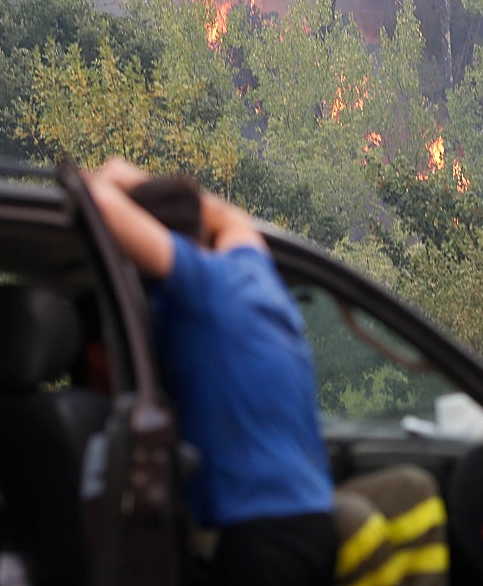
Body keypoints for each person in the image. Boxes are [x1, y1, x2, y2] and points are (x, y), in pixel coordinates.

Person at [84, 158, 336, 586]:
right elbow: (229, 217)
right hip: (311, 523)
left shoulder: (200, 286)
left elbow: (99, 204)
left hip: (261, 540)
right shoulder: (252, 271)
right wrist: (140, 180)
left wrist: (102, 178)